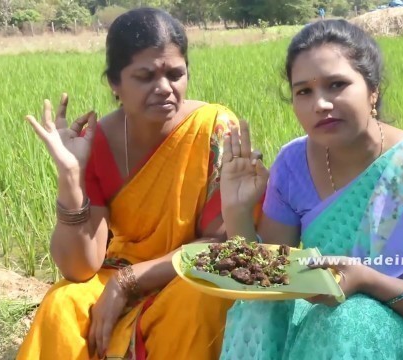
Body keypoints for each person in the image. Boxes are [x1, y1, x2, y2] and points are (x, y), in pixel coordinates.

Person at [217, 19, 403, 359]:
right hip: (330, 324)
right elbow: (269, 276)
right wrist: (237, 209)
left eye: (336, 85)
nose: (320, 103)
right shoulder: (292, 164)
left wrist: (367, 281)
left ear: (372, 90)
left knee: (353, 320)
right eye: (304, 91)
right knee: (254, 309)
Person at [17, 8, 244, 360]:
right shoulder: (97, 141)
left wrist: (129, 284)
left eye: (175, 74)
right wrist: (71, 175)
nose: (164, 88)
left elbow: (220, 244)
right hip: (116, 269)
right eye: (145, 76)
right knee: (62, 305)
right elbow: (80, 267)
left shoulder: (214, 129)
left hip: (190, 272)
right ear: (114, 82)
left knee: (199, 306)